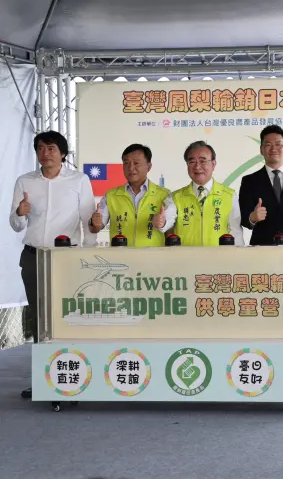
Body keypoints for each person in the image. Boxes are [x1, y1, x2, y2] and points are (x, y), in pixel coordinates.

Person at [9, 130, 97, 398]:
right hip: (34, 255)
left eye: (51, 147)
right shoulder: (25, 181)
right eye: (40, 148)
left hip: (66, 259)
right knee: (39, 320)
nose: (45, 152)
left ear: (62, 153)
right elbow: (15, 225)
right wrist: (19, 213)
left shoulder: (79, 180)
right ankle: (42, 378)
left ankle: (72, 374)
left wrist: (88, 256)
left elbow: (88, 221)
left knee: (66, 316)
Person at [161, 141, 244, 246]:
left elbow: (236, 232)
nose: (197, 166)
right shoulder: (176, 197)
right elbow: (167, 219)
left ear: (213, 164)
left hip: (220, 258)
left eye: (202, 161)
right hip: (185, 259)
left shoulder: (229, 195)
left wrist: (237, 256)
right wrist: (162, 222)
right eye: (192, 162)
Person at [88, 144, 172, 245]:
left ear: (149, 166)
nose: (131, 168)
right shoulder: (111, 195)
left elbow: (171, 228)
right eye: (126, 163)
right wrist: (94, 223)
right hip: (121, 257)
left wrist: (163, 223)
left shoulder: (164, 195)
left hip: (153, 258)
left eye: (136, 163)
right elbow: (95, 228)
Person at [239, 125, 283, 245]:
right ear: (261, 150)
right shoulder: (249, 181)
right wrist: (253, 217)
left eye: (278, 144)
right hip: (263, 246)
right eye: (268, 145)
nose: (273, 148)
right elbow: (244, 219)